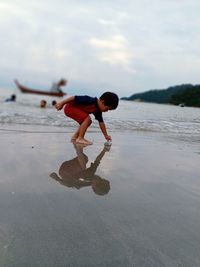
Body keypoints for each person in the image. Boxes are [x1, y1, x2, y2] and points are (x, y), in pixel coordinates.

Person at [55, 92, 119, 145]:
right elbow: (74, 97)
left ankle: (75, 137)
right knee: (87, 119)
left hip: (73, 110)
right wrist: (62, 103)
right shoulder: (90, 100)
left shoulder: (98, 111)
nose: (107, 111)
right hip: (70, 108)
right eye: (107, 108)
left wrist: (106, 135)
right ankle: (80, 138)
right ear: (102, 102)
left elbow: (101, 123)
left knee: (88, 121)